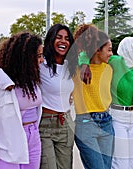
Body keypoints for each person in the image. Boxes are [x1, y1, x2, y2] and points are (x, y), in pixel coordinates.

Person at [79, 36, 133, 169]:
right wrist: (84, 64)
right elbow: (87, 53)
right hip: (117, 118)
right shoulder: (115, 61)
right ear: (128, 49)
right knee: (120, 163)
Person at [0, 32, 44, 169]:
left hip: (33, 138)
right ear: (24, 58)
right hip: (7, 145)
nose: (42, 60)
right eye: (38, 56)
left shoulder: (32, 80)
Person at [72, 24, 114, 169]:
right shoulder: (76, 69)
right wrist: (84, 62)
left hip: (107, 122)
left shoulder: (109, 68)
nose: (111, 53)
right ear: (97, 50)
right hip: (85, 123)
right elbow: (74, 53)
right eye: (108, 50)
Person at [39, 24, 77, 169]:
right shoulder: (41, 64)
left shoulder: (70, 65)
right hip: (45, 125)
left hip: (66, 123)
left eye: (67, 39)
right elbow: (4, 67)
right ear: (50, 40)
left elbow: (87, 53)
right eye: (59, 37)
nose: (63, 41)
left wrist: (85, 64)